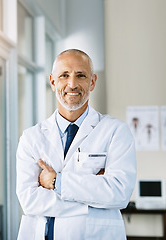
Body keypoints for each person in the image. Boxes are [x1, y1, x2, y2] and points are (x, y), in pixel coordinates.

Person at [16, 49, 136, 240]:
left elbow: (119, 193)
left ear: (92, 82)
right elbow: (29, 201)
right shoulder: (31, 138)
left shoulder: (116, 132)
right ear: (53, 82)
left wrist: (57, 182)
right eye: (64, 75)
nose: (72, 84)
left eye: (81, 75)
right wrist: (94, 195)